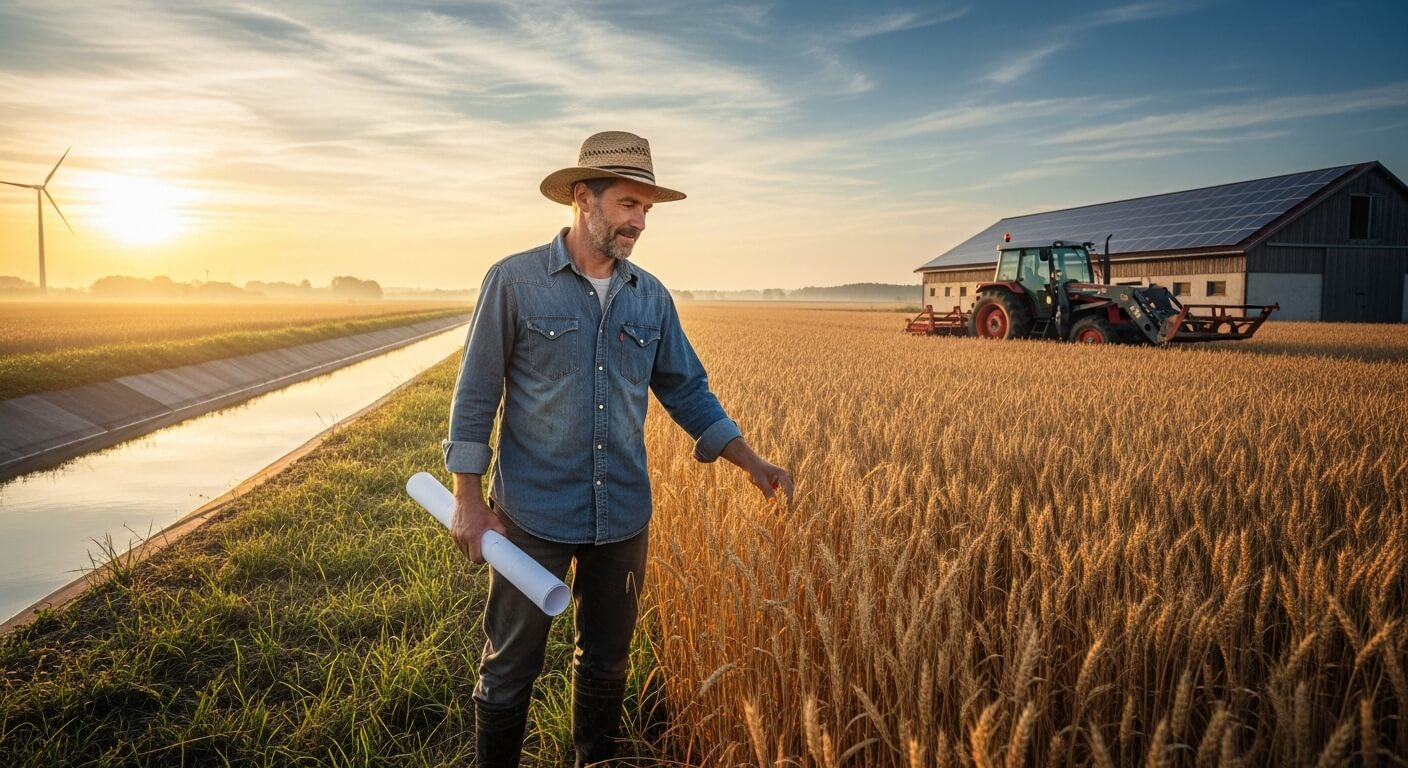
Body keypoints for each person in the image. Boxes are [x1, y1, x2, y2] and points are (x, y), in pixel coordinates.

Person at [442, 130, 794, 767]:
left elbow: (688, 391)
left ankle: (594, 761)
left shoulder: (651, 297)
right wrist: (468, 500)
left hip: (623, 516)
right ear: (584, 198)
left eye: (646, 211)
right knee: (509, 667)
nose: (638, 221)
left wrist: (751, 460)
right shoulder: (515, 282)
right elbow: (475, 397)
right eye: (629, 204)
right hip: (532, 515)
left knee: (607, 661)